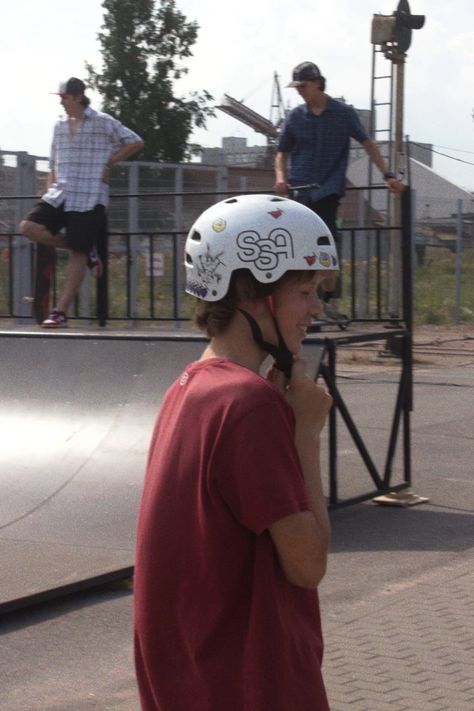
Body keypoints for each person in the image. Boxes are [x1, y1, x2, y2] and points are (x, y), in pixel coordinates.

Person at [134, 193, 339, 711]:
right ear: (250, 292)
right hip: (252, 686)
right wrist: (307, 433)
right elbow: (308, 564)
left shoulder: (189, 387)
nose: (317, 307)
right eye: (304, 290)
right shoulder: (249, 405)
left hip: (195, 683)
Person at [274, 61, 405, 319]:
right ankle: (303, 305)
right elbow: (281, 153)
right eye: (297, 87)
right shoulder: (295, 116)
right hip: (299, 192)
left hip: (327, 191)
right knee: (299, 251)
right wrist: (281, 178)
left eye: (304, 86)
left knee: (325, 248)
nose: (300, 91)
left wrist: (388, 175)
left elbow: (368, 144)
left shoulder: (343, 113)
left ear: (318, 83)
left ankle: (327, 303)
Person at [19, 77, 144, 327]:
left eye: (65, 98)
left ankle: (60, 312)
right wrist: (49, 188)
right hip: (61, 192)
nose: (62, 103)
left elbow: (136, 141)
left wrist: (110, 162)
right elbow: (54, 160)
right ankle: (88, 250)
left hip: (90, 194)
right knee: (28, 227)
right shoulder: (59, 126)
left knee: (78, 250)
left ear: (78, 96)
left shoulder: (103, 121)